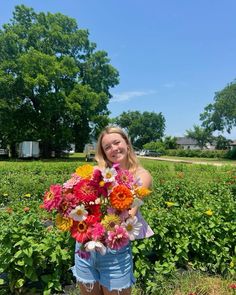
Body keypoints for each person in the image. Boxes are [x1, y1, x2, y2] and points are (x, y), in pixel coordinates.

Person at [71, 126, 154, 295]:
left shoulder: (141, 175)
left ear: (127, 144)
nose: (113, 149)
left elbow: (130, 210)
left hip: (114, 248)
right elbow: (77, 195)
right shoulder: (98, 173)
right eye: (107, 147)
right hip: (85, 247)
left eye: (117, 143)